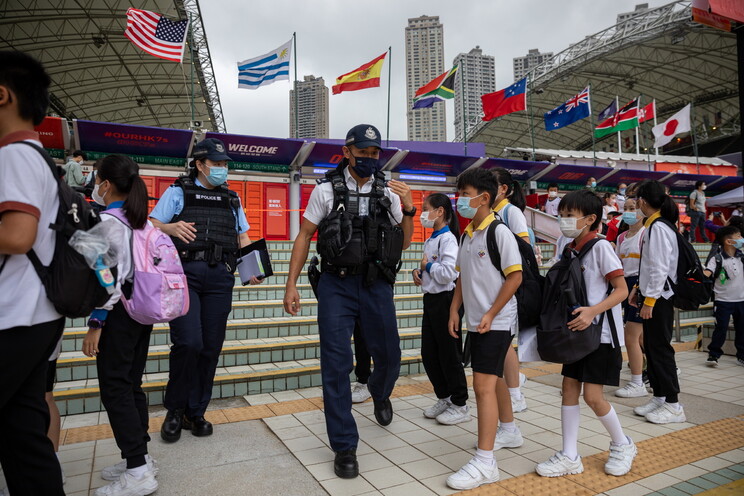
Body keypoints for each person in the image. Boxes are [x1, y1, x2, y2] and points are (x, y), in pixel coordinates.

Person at [283, 124, 414, 479]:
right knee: (335, 365)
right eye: (364, 152)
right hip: (336, 287)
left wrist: (410, 209)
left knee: (390, 354)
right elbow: (305, 235)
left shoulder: (388, 193)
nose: (370, 158)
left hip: (376, 287)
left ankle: (379, 390)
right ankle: (344, 446)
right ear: (347, 151)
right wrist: (290, 284)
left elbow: (404, 244)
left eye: (375, 153)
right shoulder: (325, 191)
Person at [151, 138, 262, 443]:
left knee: (210, 347)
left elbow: (243, 237)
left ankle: (195, 412)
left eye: (225, 164)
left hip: (219, 279)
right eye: (217, 163)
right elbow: (151, 226)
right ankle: (174, 410)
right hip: (183, 276)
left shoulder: (231, 199)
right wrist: (171, 228)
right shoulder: (178, 192)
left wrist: (253, 269)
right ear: (200, 165)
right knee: (188, 343)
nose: (222, 169)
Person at [535, 190, 636, 478]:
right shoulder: (569, 247)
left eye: (569, 215)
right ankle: (569, 455)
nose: (563, 220)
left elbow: (621, 290)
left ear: (590, 219)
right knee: (568, 389)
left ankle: (622, 443)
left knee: (593, 396)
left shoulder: (601, 247)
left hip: (601, 335)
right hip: (577, 334)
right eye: (561, 215)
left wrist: (593, 311)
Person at [0, 50, 65, 495]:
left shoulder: (14, 156)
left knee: (23, 436)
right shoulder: (38, 157)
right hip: (37, 317)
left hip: (13, 317)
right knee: (24, 438)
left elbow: (19, 235)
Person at [81, 155, 159, 495]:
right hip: (142, 311)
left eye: (97, 179)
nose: (95, 186)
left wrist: (96, 321)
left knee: (115, 389)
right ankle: (138, 458)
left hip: (118, 315)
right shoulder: (143, 221)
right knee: (130, 385)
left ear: (107, 184)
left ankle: (139, 470)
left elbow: (104, 279)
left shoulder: (107, 222)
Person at [445, 167, 522, 490]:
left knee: (482, 386)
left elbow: (515, 277)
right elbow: (463, 276)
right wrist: (454, 309)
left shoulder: (498, 232)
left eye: (464, 194)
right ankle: (509, 429)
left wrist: (491, 313)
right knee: (494, 379)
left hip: (497, 321)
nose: (459, 200)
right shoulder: (467, 233)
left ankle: (485, 461)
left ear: (484, 198)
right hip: (478, 321)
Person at [629, 180, 686, 424]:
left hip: (660, 298)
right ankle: (660, 397)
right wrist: (637, 289)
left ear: (642, 201)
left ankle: (673, 405)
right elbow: (650, 266)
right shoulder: (655, 225)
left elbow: (661, 268)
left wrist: (649, 301)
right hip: (653, 295)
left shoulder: (659, 228)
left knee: (660, 348)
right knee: (652, 347)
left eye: (636, 200)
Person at [412, 193, 468, 425]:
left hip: (446, 301)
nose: (423, 214)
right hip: (431, 301)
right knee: (430, 353)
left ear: (440, 211)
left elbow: (449, 273)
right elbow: (433, 270)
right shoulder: (431, 238)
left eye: (427, 209)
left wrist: (429, 266)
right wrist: (420, 272)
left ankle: (460, 403)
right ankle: (444, 397)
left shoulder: (448, 239)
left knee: (449, 354)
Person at [489, 167, 529, 414]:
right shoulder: (492, 212)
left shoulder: (510, 212)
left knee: (505, 343)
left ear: (504, 189)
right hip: (495, 284)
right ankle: (511, 388)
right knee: (501, 344)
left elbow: (523, 246)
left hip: (510, 283)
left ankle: (515, 395)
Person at [613, 199, 648, 398]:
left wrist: (639, 288)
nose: (628, 212)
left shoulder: (646, 234)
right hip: (625, 285)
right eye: (625, 208)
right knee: (642, 337)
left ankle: (637, 382)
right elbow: (618, 263)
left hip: (639, 286)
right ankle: (655, 373)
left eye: (632, 209)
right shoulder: (622, 237)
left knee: (631, 336)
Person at [703, 226, 744, 367]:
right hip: (722, 301)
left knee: (742, 329)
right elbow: (707, 273)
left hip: (741, 300)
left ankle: (742, 355)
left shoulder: (742, 257)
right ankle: (713, 354)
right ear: (728, 241)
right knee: (721, 328)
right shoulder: (717, 258)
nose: (741, 239)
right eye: (738, 236)